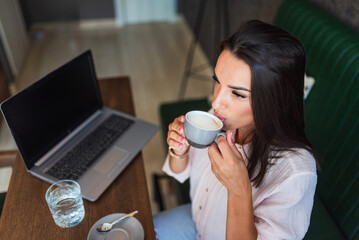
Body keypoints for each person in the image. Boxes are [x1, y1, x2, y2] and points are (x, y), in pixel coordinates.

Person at [153, 20, 319, 240]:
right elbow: (178, 170)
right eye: (217, 81)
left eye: (238, 94)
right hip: (196, 223)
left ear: (274, 100)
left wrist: (239, 188)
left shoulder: (295, 172)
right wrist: (178, 151)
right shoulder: (218, 119)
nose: (216, 102)